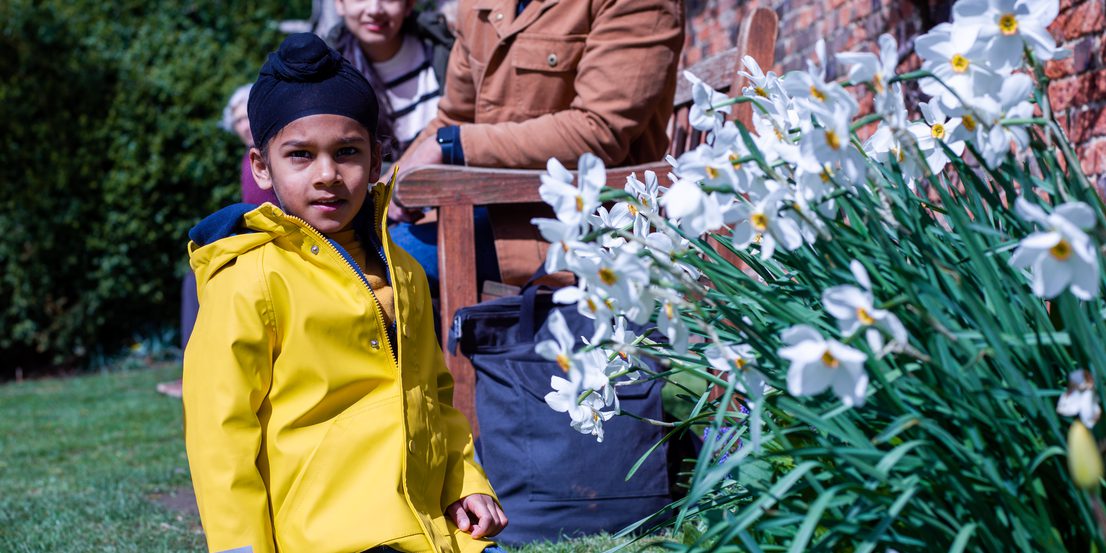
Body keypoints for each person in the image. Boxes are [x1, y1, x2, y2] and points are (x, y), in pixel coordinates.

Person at [182, 33, 507, 553]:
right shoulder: (247, 278)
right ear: (261, 167)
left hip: (429, 528)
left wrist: (465, 483)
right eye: (301, 155)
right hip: (328, 538)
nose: (328, 174)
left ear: (376, 161)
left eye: (347, 152)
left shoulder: (401, 268)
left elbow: (435, 396)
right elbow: (219, 435)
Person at [391, 0, 685, 287]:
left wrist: (454, 144)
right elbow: (454, 116)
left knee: (381, 260)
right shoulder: (479, 5)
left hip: (583, 230)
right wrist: (382, 191)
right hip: (481, 206)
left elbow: (598, 131)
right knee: (357, 244)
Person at [326, 0, 455, 162]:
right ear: (339, 3)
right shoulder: (327, 78)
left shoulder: (446, 49)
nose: (375, 10)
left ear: (408, 4)